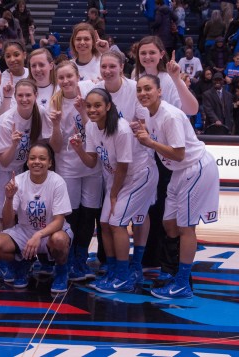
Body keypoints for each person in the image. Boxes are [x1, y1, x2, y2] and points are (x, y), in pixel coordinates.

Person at [132, 74, 220, 299]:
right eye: (140, 90)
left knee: (185, 226)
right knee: (168, 223)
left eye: (148, 89)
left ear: (159, 91)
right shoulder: (147, 113)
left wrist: (149, 142)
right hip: (179, 171)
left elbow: (179, 154)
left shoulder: (169, 115)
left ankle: (183, 283)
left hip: (194, 167)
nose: (143, 93)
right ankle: (172, 272)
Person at [69, 88, 158, 293]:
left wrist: (114, 194)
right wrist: (79, 149)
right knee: (104, 223)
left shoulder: (121, 129)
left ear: (108, 106)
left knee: (117, 222)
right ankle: (113, 271)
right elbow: (92, 162)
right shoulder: (91, 127)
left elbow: (124, 166)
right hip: (116, 177)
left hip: (139, 176)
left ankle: (124, 275)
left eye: (97, 105)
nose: (92, 109)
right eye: (89, 105)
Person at [95, 51, 152, 280]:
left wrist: (124, 127)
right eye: (104, 66)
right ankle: (115, 265)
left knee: (139, 215)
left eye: (112, 66)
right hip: (111, 165)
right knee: (108, 219)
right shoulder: (96, 89)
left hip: (137, 162)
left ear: (121, 67)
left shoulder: (134, 88)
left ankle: (135, 264)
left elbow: (143, 124)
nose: (107, 70)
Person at [0, 79, 55, 281]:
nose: (25, 99)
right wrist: (14, 144)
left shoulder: (42, 114)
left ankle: (27, 258)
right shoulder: (5, 121)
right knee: (1, 214)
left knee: (26, 214)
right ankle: (2, 261)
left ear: (36, 95)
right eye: (20, 95)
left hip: (29, 170)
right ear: (15, 97)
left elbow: (46, 146)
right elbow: (3, 159)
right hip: (7, 170)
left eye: (29, 95)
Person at [0, 143, 73, 293]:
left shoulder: (57, 181)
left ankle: (61, 271)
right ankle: (23, 263)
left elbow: (59, 221)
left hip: (50, 231)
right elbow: (7, 223)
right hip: (25, 231)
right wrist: (8, 199)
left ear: (50, 162)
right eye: (32, 158)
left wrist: (38, 235)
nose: (37, 162)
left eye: (42, 158)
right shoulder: (18, 181)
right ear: (27, 162)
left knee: (59, 240)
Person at [48, 61, 101, 282]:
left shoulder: (89, 93)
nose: (66, 81)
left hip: (91, 164)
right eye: (61, 78)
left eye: (70, 76)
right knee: (71, 215)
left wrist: (84, 112)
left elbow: (97, 131)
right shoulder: (54, 102)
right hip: (68, 165)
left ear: (78, 76)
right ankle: (68, 259)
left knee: (89, 214)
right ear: (57, 80)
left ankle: (81, 258)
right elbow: (57, 146)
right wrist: (56, 125)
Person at [0, 40, 29, 116]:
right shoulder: (0, 80)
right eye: (8, 56)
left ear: (24, 55)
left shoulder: (33, 75)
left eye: (16, 55)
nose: (12, 59)